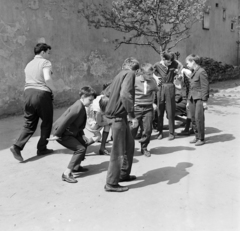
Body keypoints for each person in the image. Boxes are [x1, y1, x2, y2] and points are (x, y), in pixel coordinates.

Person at [10, 43, 56, 162]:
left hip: (28, 93)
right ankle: (42, 148)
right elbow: (47, 78)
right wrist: (53, 89)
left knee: (29, 122)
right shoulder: (45, 62)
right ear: (42, 52)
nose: (49, 56)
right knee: (47, 121)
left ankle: (17, 146)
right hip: (41, 94)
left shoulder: (28, 64)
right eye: (48, 53)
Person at [104, 57, 139, 192]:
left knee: (129, 145)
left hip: (119, 115)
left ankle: (123, 175)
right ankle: (111, 183)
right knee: (118, 151)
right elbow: (125, 95)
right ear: (136, 70)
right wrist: (132, 115)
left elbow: (106, 92)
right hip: (119, 117)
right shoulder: (129, 74)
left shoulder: (119, 74)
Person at [49, 86, 97, 183]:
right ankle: (66, 173)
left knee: (83, 143)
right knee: (80, 149)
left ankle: (76, 166)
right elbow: (65, 121)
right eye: (90, 100)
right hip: (63, 133)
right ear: (83, 96)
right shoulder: (78, 108)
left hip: (70, 131)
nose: (91, 102)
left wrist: (82, 135)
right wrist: (57, 135)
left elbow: (77, 124)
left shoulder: (81, 105)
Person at [130, 63, 158, 157]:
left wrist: (153, 103)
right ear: (142, 73)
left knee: (147, 129)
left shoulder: (152, 81)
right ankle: (128, 148)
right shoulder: (135, 80)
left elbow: (155, 92)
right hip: (136, 107)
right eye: (148, 74)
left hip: (148, 108)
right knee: (132, 129)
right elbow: (129, 93)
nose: (151, 76)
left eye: (152, 74)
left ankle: (144, 148)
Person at [153, 52, 183, 140]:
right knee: (160, 110)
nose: (170, 63)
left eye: (171, 61)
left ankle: (171, 132)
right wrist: (156, 78)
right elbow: (151, 72)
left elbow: (181, 65)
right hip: (160, 88)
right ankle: (160, 131)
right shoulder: (157, 65)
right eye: (168, 61)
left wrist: (178, 73)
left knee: (170, 111)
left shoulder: (175, 63)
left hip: (170, 87)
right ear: (163, 59)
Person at [186, 54, 209, 146]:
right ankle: (196, 136)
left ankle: (201, 138)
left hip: (199, 98)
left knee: (199, 118)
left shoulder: (201, 72)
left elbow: (205, 87)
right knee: (193, 118)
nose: (187, 65)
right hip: (192, 98)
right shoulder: (193, 72)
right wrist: (188, 100)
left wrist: (204, 101)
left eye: (188, 63)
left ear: (193, 62)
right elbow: (191, 88)